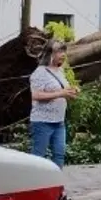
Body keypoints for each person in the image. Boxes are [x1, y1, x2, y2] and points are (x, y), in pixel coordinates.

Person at [28, 40, 79, 168]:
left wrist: (71, 92)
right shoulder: (40, 72)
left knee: (59, 154)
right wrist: (61, 93)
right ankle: (35, 184)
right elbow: (35, 95)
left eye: (64, 51)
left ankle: (56, 184)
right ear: (50, 53)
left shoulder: (60, 71)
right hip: (43, 121)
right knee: (39, 156)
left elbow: (62, 90)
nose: (63, 54)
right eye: (59, 51)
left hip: (59, 121)